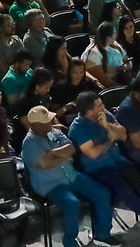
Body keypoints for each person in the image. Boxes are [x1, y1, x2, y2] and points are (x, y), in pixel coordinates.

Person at [67, 91, 140, 239]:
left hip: (117, 160)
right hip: (97, 168)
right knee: (122, 186)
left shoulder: (105, 115)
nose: (103, 106)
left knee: (138, 182)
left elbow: (123, 134)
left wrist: (107, 126)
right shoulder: (78, 128)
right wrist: (110, 140)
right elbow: (93, 153)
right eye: (99, 105)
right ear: (89, 111)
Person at [20, 105, 119, 247]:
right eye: (46, 121)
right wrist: (62, 156)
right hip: (51, 184)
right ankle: (69, 242)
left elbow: (71, 149)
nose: (51, 121)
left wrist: (52, 152)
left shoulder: (55, 132)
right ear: (36, 125)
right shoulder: (29, 144)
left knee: (102, 193)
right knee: (72, 204)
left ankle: (103, 235)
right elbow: (44, 163)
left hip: (72, 176)